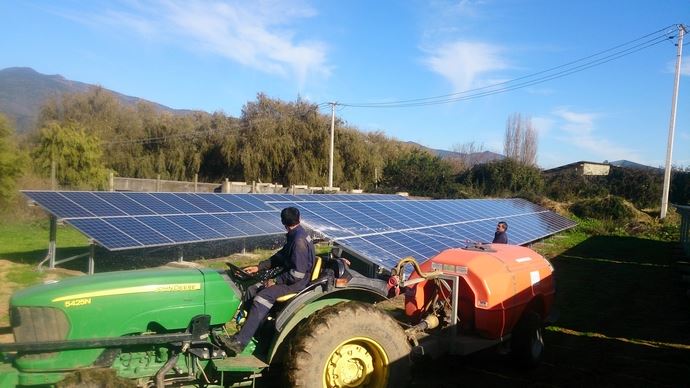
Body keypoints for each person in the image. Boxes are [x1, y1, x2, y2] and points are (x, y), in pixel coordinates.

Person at [220, 207, 315, 355]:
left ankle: (239, 342)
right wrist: (259, 267)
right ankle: (252, 330)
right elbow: (280, 257)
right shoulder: (295, 235)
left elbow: (297, 274)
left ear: (283, 222)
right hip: (290, 276)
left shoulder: (298, 241)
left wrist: (276, 280)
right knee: (252, 288)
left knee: (262, 297)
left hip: (296, 282)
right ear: (299, 218)